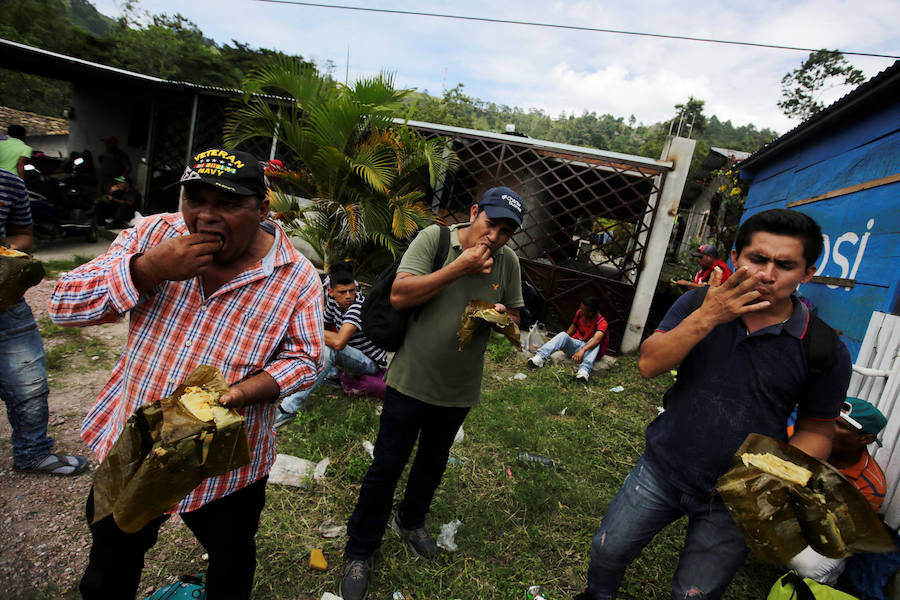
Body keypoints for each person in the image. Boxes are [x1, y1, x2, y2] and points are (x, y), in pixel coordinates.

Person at [48, 148, 324, 599]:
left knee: (231, 561)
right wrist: (149, 270)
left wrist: (240, 393)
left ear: (262, 209)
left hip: (226, 463)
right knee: (109, 565)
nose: (206, 216)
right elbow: (63, 306)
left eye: (229, 204)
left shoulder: (295, 278)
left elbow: (304, 359)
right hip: (136, 442)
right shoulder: (154, 235)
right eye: (195, 199)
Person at [575, 208, 852, 600]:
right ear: (737, 256)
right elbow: (649, 364)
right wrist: (709, 317)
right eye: (757, 259)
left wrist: (775, 474)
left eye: (785, 265)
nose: (767, 274)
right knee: (608, 550)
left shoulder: (823, 348)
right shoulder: (696, 303)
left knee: (696, 594)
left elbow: (817, 430)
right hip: (663, 467)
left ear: (807, 273)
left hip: (737, 499)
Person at [339, 186, 525, 600]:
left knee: (432, 462)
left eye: (505, 231)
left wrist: (502, 320)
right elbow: (401, 294)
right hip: (410, 379)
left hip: (459, 388)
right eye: (490, 224)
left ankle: (410, 520)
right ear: (474, 213)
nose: (494, 236)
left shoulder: (507, 262)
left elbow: (514, 314)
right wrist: (460, 268)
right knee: (386, 465)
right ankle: (360, 549)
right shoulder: (434, 239)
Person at [0, 167, 88, 476]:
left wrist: (7, 253)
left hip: (6, 305)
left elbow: (24, 236)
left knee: (29, 385)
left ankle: (32, 453)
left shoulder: (9, 183)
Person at [275, 262, 389, 428]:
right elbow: (324, 326)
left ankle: (288, 409)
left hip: (370, 363)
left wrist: (303, 328)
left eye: (352, 290)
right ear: (331, 292)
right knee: (314, 340)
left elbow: (338, 342)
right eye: (342, 292)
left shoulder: (357, 306)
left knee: (329, 348)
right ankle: (326, 375)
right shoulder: (334, 303)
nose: (349, 296)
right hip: (351, 356)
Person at [787, 396, 887, 585]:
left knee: (804, 565)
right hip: (787, 504)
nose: (829, 427)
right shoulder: (806, 436)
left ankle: (827, 576)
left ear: (866, 439)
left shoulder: (871, 485)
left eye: (840, 425)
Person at [526, 296, 609, 382]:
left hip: (588, 352)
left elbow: (597, 339)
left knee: (595, 342)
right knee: (563, 335)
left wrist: (582, 350)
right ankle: (539, 358)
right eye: (581, 308)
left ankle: (583, 372)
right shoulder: (580, 313)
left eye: (583, 309)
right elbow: (573, 326)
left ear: (591, 313)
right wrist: (563, 340)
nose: (580, 310)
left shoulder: (602, 322)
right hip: (575, 346)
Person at [97, 136, 131, 200]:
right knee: (101, 196)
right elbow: (100, 160)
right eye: (106, 143)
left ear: (114, 144)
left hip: (113, 180)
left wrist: (121, 178)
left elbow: (128, 167)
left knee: (110, 197)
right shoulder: (105, 153)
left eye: (109, 143)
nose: (107, 145)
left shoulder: (120, 154)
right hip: (103, 178)